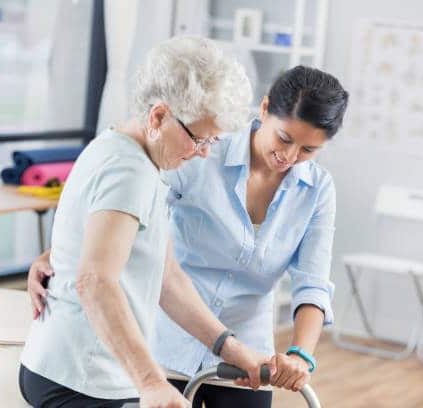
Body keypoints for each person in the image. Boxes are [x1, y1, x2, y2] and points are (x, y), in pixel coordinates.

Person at [30, 65, 349, 407]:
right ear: (265, 109)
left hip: (247, 352)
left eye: (308, 150)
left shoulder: (317, 190)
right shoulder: (201, 149)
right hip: (165, 340)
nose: (289, 156)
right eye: (284, 138)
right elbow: (130, 216)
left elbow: (312, 281)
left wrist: (300, 355)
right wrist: (61, 253)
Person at [19, 36, 266, 408]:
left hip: (85, 372)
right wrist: (151, 381)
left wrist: (228, 348)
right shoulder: (128, 170)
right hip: (79, 378)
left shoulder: (138, 158)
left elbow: (167, 278)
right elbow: (95, 281)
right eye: (200, 139)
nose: (203, 154)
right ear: (158, 116)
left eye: (213, 142)